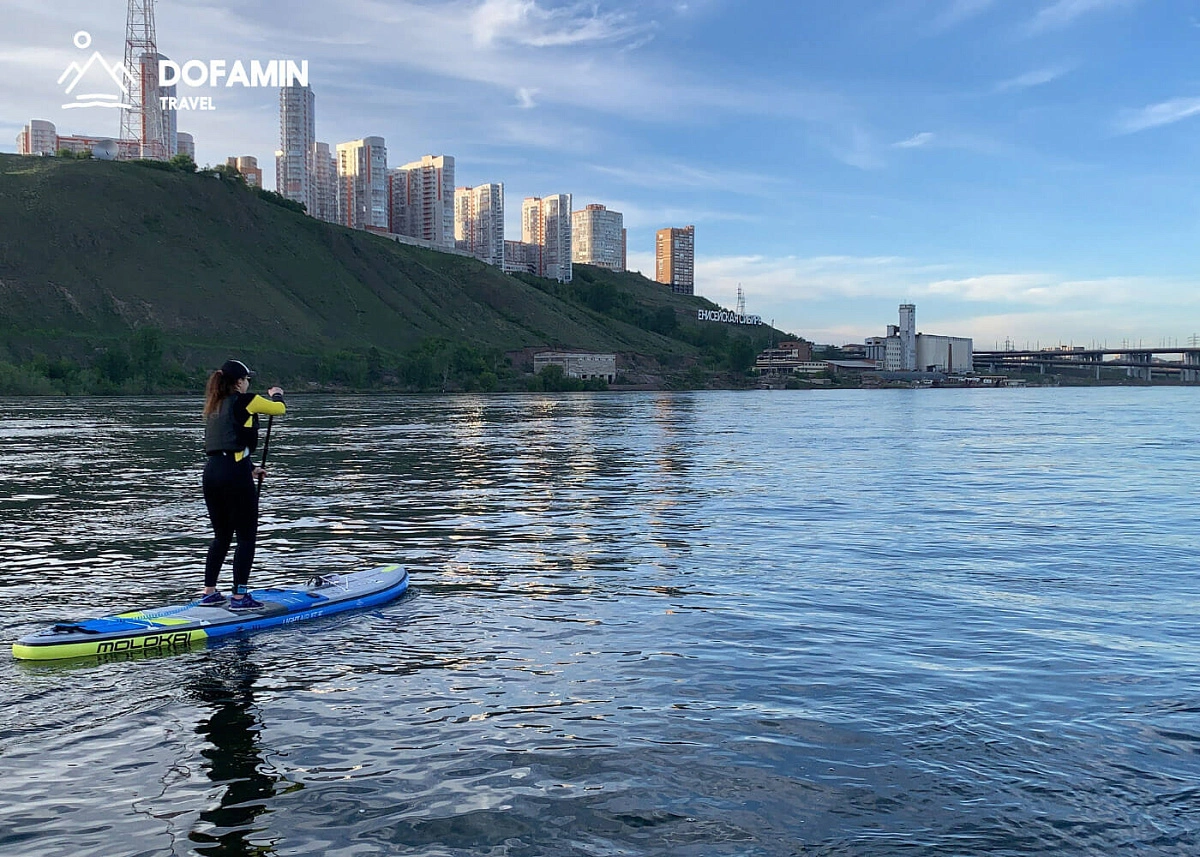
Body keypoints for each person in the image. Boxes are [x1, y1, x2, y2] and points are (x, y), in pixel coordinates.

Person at [199, 359, 286, 609]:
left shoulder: (214, 406)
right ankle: (239, 597)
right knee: (246, 536)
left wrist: (250, 468)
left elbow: (226, 445)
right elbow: (278, 410)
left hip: (212, 473)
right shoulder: (248, 400)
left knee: (222, 537)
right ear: (239, 382)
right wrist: (277, 395)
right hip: (233, 474)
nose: (248, 383)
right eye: (247, 379)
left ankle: (209, 592)